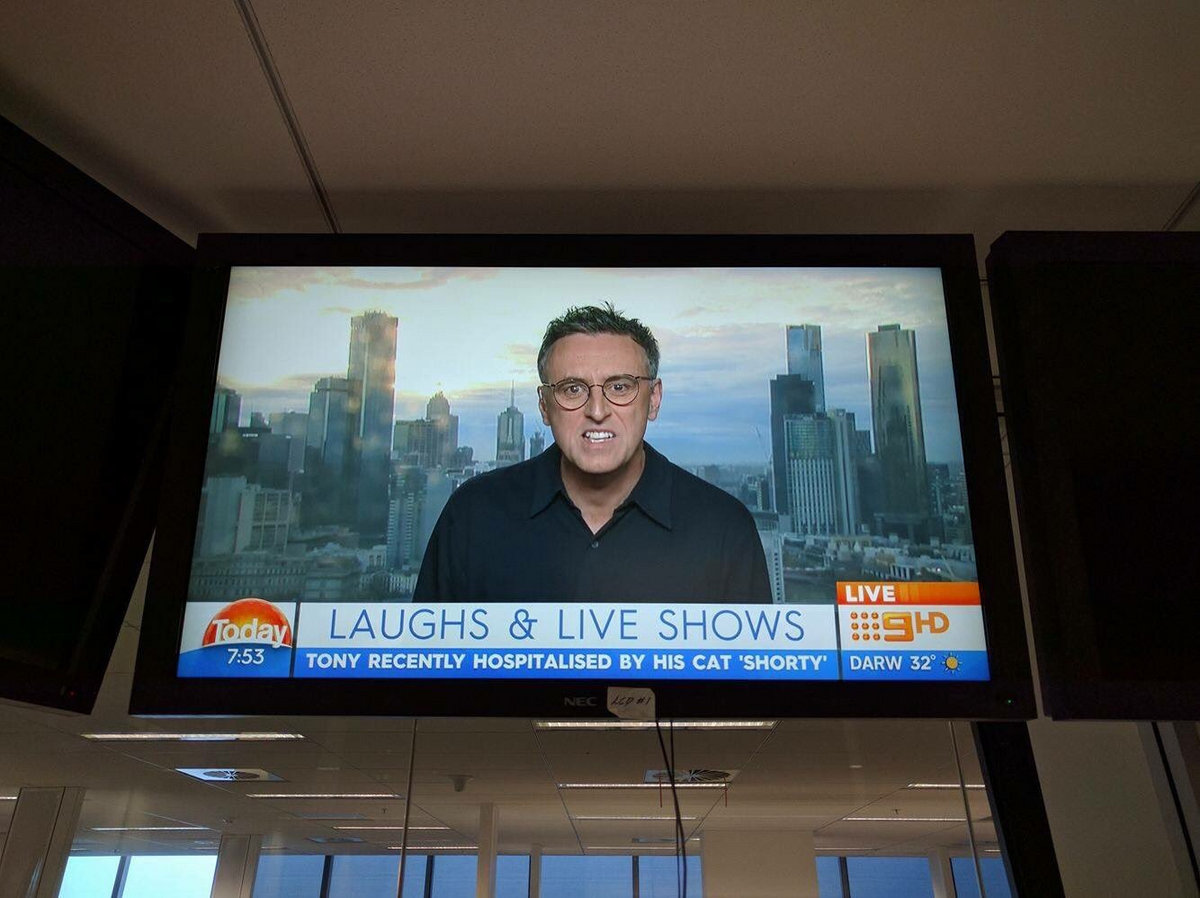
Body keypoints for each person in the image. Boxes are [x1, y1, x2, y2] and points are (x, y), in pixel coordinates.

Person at [414, 303, 771, 603]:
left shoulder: (724, 528)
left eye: (620, 387)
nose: (597, 410)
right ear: (544, 406)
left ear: (654, 400)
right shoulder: (473, 515)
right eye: (572, 389)